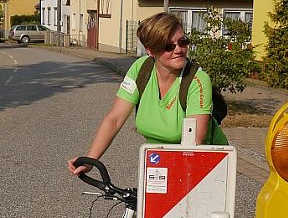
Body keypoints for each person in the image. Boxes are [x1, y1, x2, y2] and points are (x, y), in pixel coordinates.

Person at [68, 12, 228, 175]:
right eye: (168, 46)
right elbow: (114, 119)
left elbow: (194, 142)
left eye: (183, 42)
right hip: (159, 162)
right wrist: (90, 161)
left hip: (204, 165)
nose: (179, 49)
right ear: (151, 51)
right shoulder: (141, 69)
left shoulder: (197, 80)